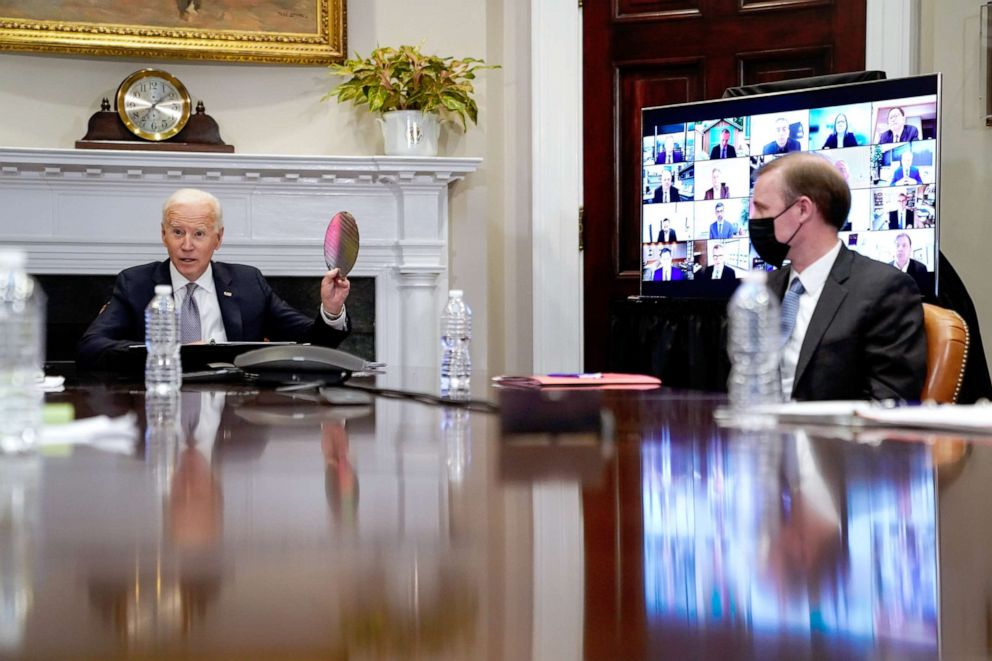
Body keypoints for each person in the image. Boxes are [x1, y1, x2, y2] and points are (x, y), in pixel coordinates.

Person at [77, 188, 351, 370]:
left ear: (218, 238)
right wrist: (167, 352)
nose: (187, 245)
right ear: (163, 235)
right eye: (177, 232)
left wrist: (331, 309)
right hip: (161, 401)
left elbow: (313, 343)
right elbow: (91, 347)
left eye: (199, 234)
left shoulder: (247, 282)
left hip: (235, 410)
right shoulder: (136, 283)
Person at [748, 152, 926, 401]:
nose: (752, 220)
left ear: (802, 210)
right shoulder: (762, 291)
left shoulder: (885, 289)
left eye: (761, 208)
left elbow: (888, 404)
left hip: (833, 439)